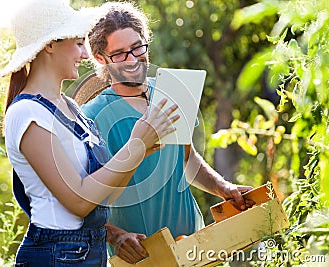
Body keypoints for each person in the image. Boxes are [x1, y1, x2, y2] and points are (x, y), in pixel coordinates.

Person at [1, 0, 180, 266]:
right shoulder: (28, 113)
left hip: (89, 253)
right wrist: (136, 145)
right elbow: (79, 201)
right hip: (56, 255)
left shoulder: (70, 107)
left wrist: (143, 149)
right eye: (77, 44)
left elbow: (104, 196)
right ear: (49, 45)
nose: (85, 54)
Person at [81, 2, 255, 264]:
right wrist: (115, 236)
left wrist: (223, 187)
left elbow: (186, 158)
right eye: (119, 54)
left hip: (193, 245)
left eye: (137, 47)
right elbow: (85, 200)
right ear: (100, 58)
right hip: (139, 255)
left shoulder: (173, 90)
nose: (132, 59)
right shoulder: (91, 116)